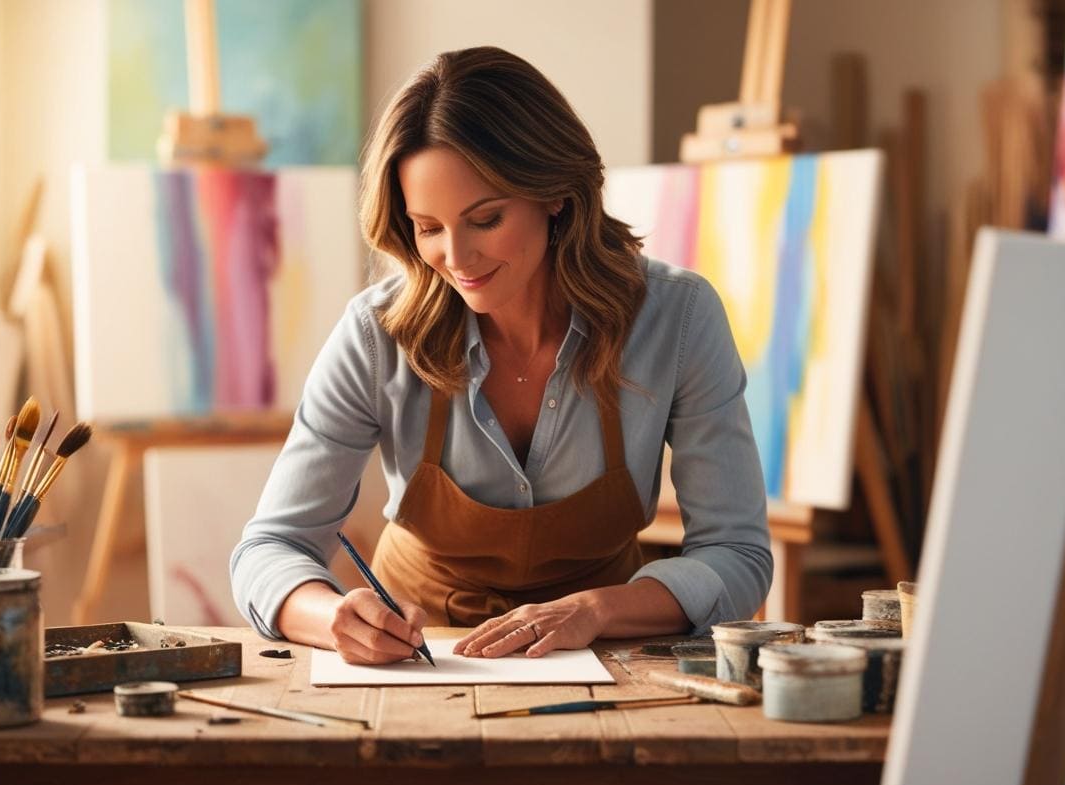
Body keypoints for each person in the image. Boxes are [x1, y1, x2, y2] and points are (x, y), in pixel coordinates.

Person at [230, 45, 770, 678]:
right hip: (421, 664)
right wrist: (331, 618)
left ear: (556, 195)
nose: (455, 257)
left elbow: (738, 553)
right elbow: (268, 548)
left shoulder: (676, 319)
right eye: (427, 227)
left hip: (610, 653)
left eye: (484, 219)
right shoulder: (376, 336)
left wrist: (598, 610)